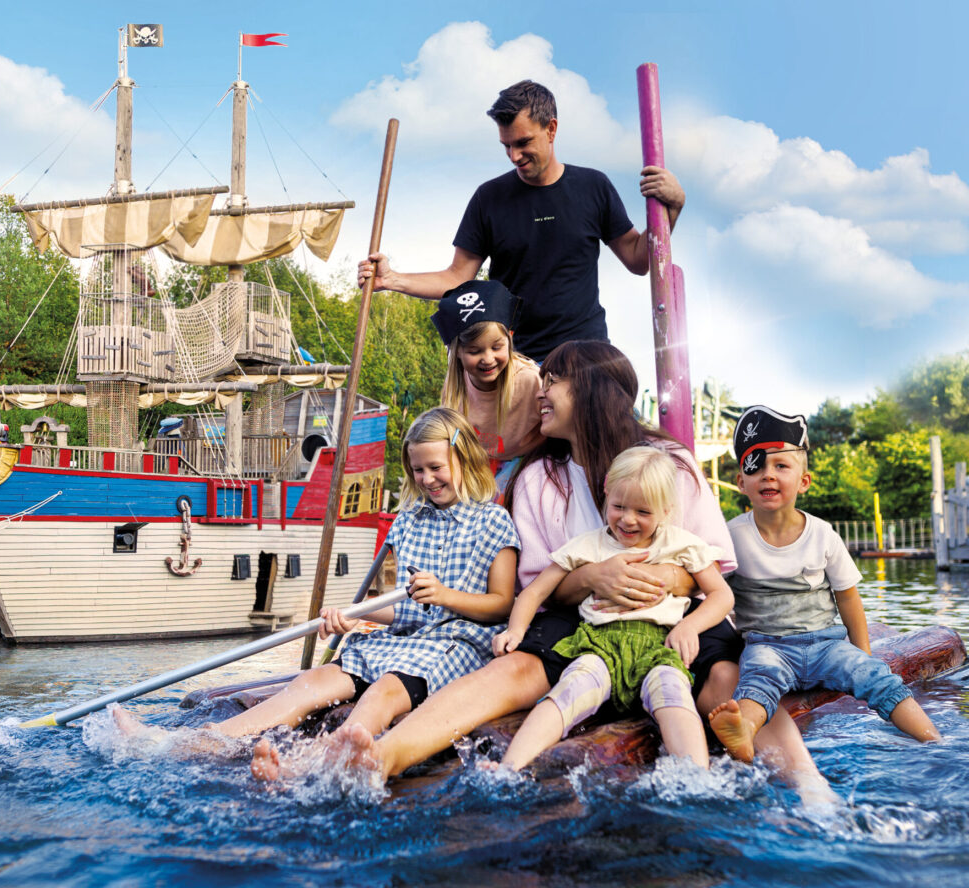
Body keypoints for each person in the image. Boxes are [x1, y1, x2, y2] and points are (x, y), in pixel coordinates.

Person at [319, 342, 828, 799]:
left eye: (554, 381)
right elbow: (536, 588)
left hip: (675, 614)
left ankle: (810, 788)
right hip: (580, 617)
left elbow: (711, 566)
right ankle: (383, 756)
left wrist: (656, 580)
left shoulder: (670, 463)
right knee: (513, 669)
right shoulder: (540, 478)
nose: (540, 392)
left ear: (592, 391)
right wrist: (594, 578)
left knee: (726, 676)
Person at [110, 407, 519, 776]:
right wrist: (355, 614)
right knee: (312, 681)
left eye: (436, 467)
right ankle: (184, 743)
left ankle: (314, 765)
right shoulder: (408, 521)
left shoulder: (493, 520)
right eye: (417, 470)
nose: (426, 479)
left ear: (463, 459)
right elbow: (407, 612)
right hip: (403, 642)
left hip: (456, 645)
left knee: (386, 689)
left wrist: (446, 595)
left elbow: (502, 605)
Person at [357, 79, 686, 361]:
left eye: (523, 142)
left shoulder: (593, 187)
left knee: (622, 433)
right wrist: (392, 280)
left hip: (586, 356)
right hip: (515, 360)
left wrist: (672, 208)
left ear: (551, 128)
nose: (514, 156)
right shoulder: (489, 198)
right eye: (507, 145)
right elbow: (457, 277)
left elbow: (639, 259)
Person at [709, 406, 941, 762]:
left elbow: (848, 598)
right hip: (767, 645)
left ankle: (933, 739)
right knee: (758, 679)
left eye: (781, 466)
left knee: (876, 678)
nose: (768, 475)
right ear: (742, 481)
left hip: (824, 644)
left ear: (803, 481)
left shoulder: (822, 534)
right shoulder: (731, 536)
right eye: (756, 466)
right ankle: (743, 729)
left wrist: (861, 654)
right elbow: (714, 591)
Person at [494, 446, 734, 772]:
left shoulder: (681, 544)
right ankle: (509, 767)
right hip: (598, 645)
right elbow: (535, 591)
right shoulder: (588, 545)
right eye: (619, 506)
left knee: (674, 694)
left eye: (644, 512)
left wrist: (689, 626)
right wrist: (515, 631)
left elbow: (722, 594)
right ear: (607, 492)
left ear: (666, 510)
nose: (628, 519)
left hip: (659, 648)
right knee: (568, 691)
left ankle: (696, 778)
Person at [431, 279, 542, 485]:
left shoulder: (530, 380)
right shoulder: (455, 384)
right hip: (480, 464)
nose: (488, 359)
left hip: (528, 463)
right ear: (458, 352)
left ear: (509, 338)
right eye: (474, 351)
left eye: (496, 347)